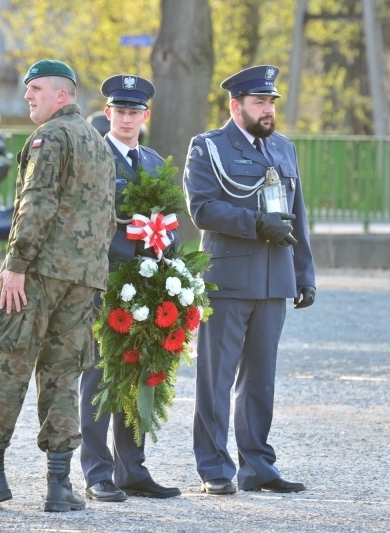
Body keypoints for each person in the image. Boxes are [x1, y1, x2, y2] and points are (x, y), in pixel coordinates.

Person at [0, 59, 116, 513]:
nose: (27, 95)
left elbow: (36, 204)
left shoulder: (50, 137)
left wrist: (16, 265)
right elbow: (107, 217)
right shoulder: (98, 142)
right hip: (83, 278)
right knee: (63, 374)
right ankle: (59, 486)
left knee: (7, 362)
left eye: (36, 89)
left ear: (62, 95)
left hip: (38, 272)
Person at [183, 65, 316, 495]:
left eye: (271, 102)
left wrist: (304, 273)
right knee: (216, 378)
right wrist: (256, 224)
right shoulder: (209, 147)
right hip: (229, 277)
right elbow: (202, 208)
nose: (267, 110)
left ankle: (257, 465)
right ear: (235, 105)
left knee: (260, 380)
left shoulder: (283, 148)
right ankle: (214, 468)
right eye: (259, 102)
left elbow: (298, 215)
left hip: (275, 279)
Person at [79, 74, 181, 502]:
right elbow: (83, 219)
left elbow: (170, 217)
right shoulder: (94, 156)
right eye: (119, 111)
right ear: (107, 114)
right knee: (100, 377)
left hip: (149, 284)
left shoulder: (154, 162)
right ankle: (97, 472)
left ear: (145, 116)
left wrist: (171, 258)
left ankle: (132, 469)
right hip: (106, 280)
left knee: (140, 374)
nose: (126, 118)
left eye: (133, 112)